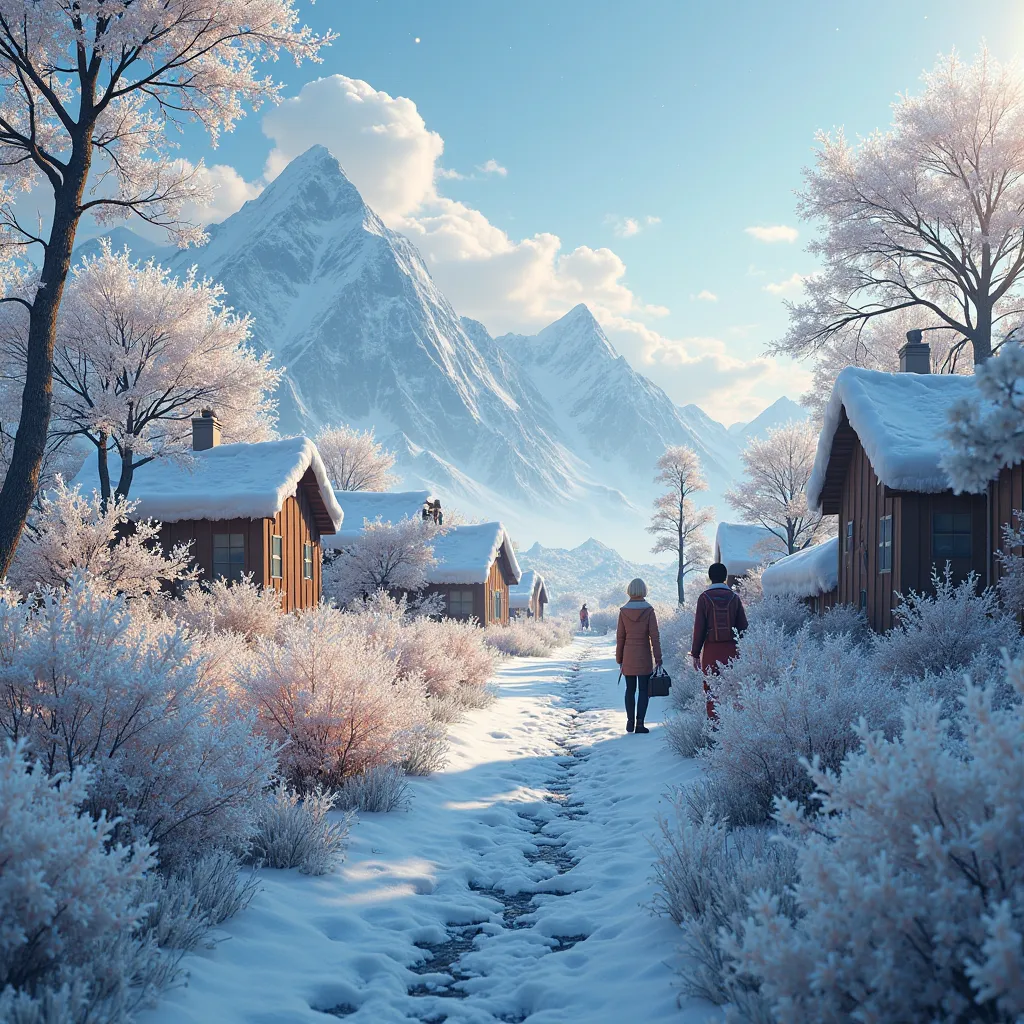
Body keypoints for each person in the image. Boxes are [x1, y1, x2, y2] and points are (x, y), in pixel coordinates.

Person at [690, 562, 748, 719]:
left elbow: (699, 629)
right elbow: (743, 628)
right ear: (725, 577)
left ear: (709, 577)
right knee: (733, 689)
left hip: (710, 651)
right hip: (732, 651)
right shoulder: (734, 598)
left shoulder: (704, 598)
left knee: (711, 690)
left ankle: (714, 727)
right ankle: (733, 726)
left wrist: (695, 654)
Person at [615, 578, 662, 734]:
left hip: (628, 654)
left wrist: (619, 658)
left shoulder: (623, 611)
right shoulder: (649, 610)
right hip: (643, 655)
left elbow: (620, 637)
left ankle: (629, 722)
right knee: (643, 690)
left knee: (629, 689)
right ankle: (640, 724)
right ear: (644, 590)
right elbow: (655, 636)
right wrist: (658, 657)